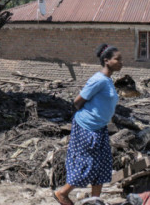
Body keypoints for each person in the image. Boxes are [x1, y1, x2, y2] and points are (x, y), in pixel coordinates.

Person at [54, 44, 122, 205]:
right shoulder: (98, 80)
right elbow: (77, 102)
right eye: (117, 59)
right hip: (88, 128)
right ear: (106, 61)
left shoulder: (107, 80)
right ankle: (62, 193)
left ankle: (95, 201)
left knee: (102, 166)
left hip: (100, 128)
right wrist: (90, 117)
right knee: (87, 164)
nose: (121, 62)